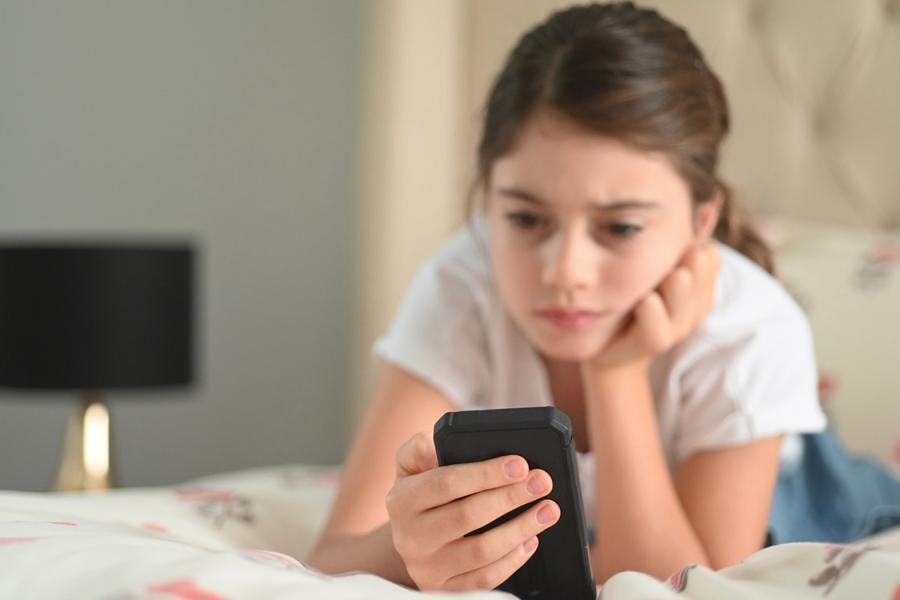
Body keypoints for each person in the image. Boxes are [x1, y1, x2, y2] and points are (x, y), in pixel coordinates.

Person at [308, 1, 899, 592]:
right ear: (488, 197)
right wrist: (407, 546)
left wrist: (616, 371)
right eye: (525, 218)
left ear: (702, 219)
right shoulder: (462, 285)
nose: (565, 272)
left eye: (619, 228)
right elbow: (334, 555)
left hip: (811, 497)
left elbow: (685, 585)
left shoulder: (754, 327)